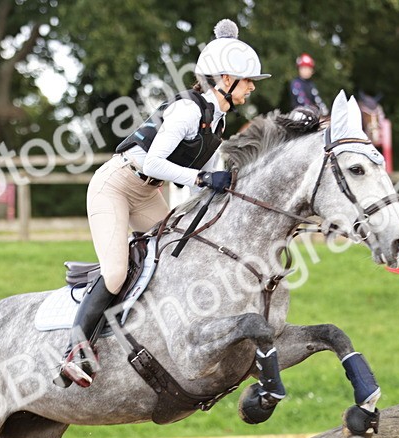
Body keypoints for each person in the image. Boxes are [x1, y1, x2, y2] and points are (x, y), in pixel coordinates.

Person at [54, 19, 270, 388]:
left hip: (148, 194)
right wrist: (202, 179)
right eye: (247, 79)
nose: (252, 87)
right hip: (116, 186)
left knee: (179, 256)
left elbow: (192, 175)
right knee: (117, 273)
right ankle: (75, 351)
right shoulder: (188, 111)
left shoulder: (216, 122)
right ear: (224, 78)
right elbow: (153, 161)